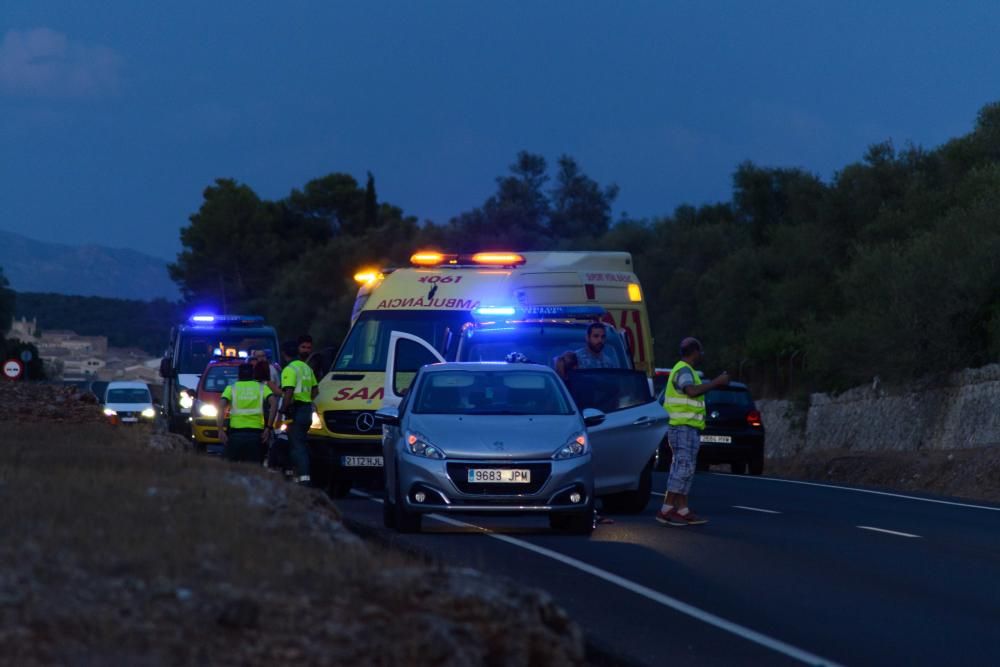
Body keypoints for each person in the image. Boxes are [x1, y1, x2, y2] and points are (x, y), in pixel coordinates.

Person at [655, 337, 729, 527]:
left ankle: (682, 509)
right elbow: (691, 391)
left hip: (688, 427)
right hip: (682, 427)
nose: (702, 354)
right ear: (694, 351)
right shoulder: (683, 370)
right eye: (700, 351)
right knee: (682, 468)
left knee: (686, 468)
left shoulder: (685, 370)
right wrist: (716, 382)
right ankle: (667, 509)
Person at [217, 363, 278, 463]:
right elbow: (274, 404)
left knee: (232, 470)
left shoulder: (231, 388)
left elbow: (221, 406)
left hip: (236, 435)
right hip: (256, 436)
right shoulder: (262, 387)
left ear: (239, 374)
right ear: (253, 374)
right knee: (254, 470)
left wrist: (220, 429)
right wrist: (269, 427)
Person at [281, 338, 319, 485]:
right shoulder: (306, 368)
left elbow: (289, 391)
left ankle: (304, 479)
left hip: (296, 410)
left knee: (297, 446)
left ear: (284, 354)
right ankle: (295, 474)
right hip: (306, 410)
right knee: (299, 443)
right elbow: (316, 390)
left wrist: (283, 409)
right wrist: (306, 399)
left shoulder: (289, 369)